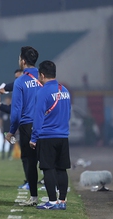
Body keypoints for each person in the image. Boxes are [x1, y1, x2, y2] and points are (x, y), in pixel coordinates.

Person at [30, 60, 71, 210]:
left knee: (48, 168)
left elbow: (38, 117)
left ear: (41, 75)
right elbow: (68, 114)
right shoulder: (65, 90)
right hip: (63, 135)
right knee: (62, 169)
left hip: (47, 136)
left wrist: (34, 138)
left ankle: (52, 202)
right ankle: (62, 201)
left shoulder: (42, 92)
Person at [5, 46, 41, 206]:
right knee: (48, 161)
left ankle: (33, 197)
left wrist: (11, 131)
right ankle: (57, 199)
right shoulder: (44, 76)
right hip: (46, 124)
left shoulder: (20, 81)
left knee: (29, 161)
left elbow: (16, 110)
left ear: (23, 61)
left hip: (28, 125)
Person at [0, 96, 14, 160]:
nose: (8, 101)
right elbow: (0, 119)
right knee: (4, 141)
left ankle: (9, 155)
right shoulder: (3, 109)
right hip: (5, 129)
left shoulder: (12, 108)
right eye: (7, 99)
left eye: (9, 99)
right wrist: (0, 127)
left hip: (11, 129)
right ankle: (3, 155)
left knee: (12, 141)